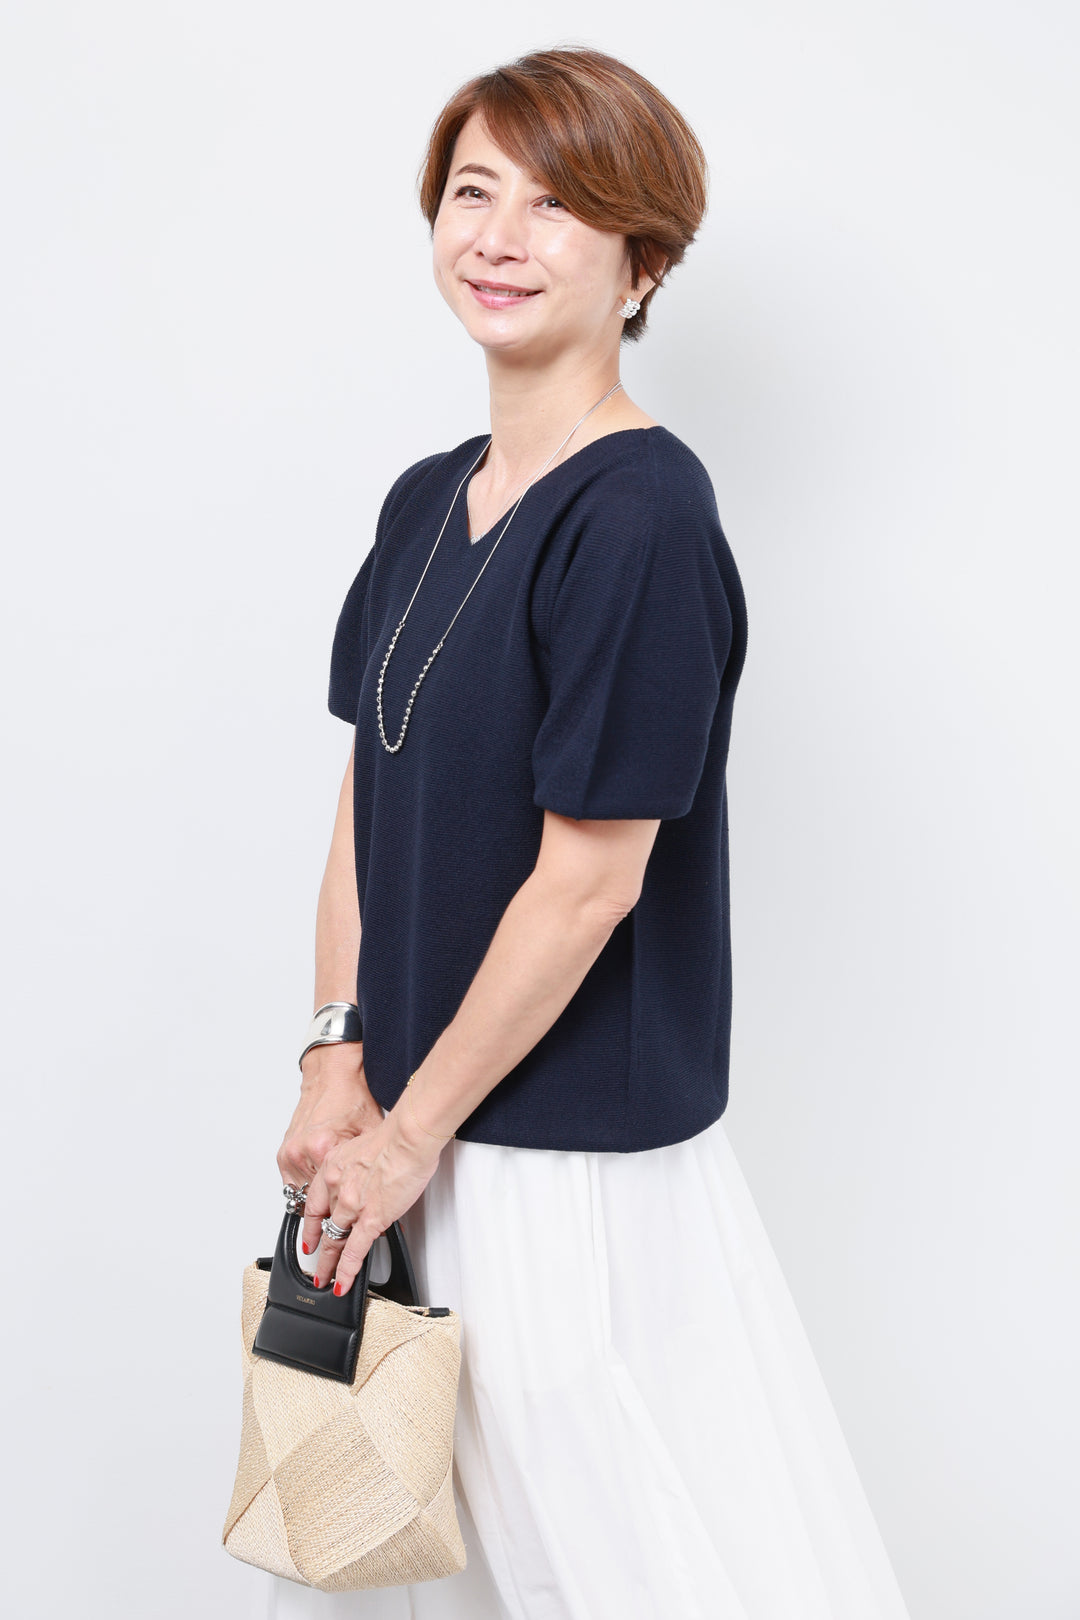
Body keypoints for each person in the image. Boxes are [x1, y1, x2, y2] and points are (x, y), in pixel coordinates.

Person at [270, 46, 913, 1620]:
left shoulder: (641, 515)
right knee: (407, 1554)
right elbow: (367, 795)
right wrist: (338, 1058)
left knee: (628, 1558)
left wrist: (409, 1135)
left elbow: (588, 886)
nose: (498, 236)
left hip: (560, 1164)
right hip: (411, 1131)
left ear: (644, 264)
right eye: (472, 192)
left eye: (556, 204)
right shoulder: (425, 501)